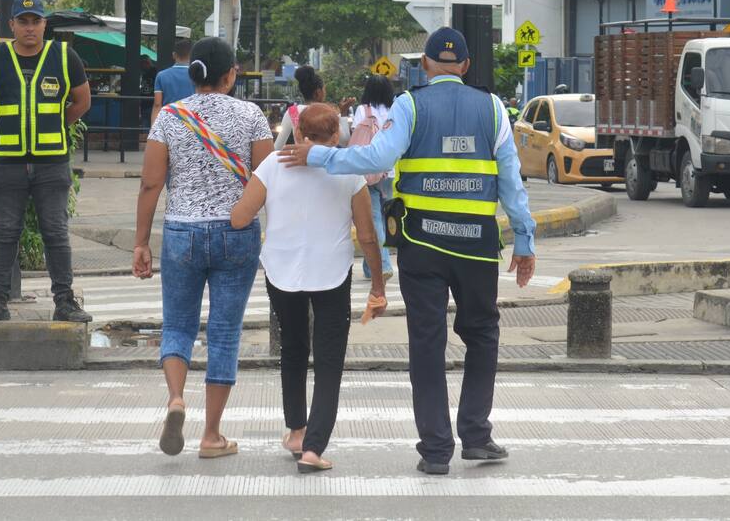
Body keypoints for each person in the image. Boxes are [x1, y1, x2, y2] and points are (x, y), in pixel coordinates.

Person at [280, 27, 537, 476]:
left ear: (426, 65)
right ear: (466, 67)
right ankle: (476, 435)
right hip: (476, 246)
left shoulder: (410, 104)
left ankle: (436, 451)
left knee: (426, 341)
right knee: (482, 336)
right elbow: (511, 182)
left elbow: (376, 159)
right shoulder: (493, 107)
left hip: (423, 244)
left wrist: (319, 157)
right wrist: (525, 239)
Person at [133, 37, 274, 459]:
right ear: (231, 75)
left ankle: (176, 399)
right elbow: (268, 180)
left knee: (177, 326)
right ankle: (212, 435)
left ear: (192, 74)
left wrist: (141, 241)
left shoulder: (170, 118)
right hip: (237, 231)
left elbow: (151, 183)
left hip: (182, 233)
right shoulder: (251, 115)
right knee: (224, 333)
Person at [231, 103, 388, 474]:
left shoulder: (272, 165)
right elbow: (367, 237)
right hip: (331, 273)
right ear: (337, 136)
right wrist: (378, 285)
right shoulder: (349, 172)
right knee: (329, 359)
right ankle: (314, 449)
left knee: (293, 347)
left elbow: (239, 218)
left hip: (281, 272)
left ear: (299, 134)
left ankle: (297, 431)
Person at [0, 0, 93, 324]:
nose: (29, 28)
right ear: (11, 25)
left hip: (51, 162)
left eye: (35, 21)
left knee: (55, 232)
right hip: (7, 162)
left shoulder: (65, 57)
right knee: (5, 232)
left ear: (44, 24)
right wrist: (6, 126)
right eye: (22, 22)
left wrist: (53, 124)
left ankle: (64, 301)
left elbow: (82, 101)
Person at [350, 73, 396, 281]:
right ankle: (371, 268)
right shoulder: (395, 110)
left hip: (368, 170)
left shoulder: (362, 110)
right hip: (390, 170)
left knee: (374, 218)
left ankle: (383, 264)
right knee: (385, 219)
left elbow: (356, 137)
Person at [274, 64, 352, 149]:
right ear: (318, 93)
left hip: (301, 160)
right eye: (324, 89)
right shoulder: (326, 111)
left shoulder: (293, 112)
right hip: (323, 160)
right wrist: (343, 113)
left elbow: (278, 147)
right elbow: (345, 141)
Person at [150, 39, 195, 127]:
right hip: (192, 122)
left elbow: (157, 104)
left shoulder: (161, 75)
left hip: (169, 122)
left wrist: (153, 128)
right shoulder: (197, 76)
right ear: (192, 55)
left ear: (174, 55)